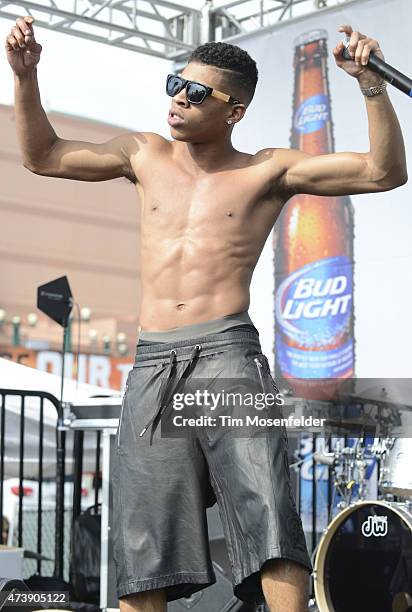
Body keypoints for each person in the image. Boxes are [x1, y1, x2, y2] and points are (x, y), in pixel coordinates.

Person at [6, 15, 407, 612]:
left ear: (234, 110)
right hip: (151, 361)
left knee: (267, 516)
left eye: (196, 93)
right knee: (145, 546)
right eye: (174, 83)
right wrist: (25, 75)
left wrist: (371, 88)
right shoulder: (142, 153)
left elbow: (385, 172)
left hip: (226, 355)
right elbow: (43, 156)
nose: (177, 99)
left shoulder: (267, 169)